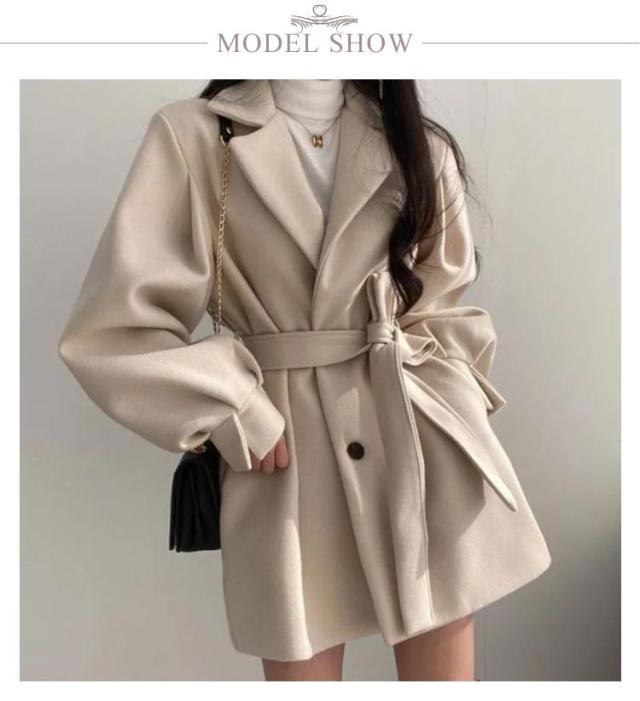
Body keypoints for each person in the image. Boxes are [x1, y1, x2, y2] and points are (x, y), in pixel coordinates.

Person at [58, 79, 552, 681]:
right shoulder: (192, 135)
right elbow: (113, 330)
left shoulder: (418, 144)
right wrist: (235, 408)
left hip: (419, 449)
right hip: (285, 456)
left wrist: (454, 400)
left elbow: (441, 304)